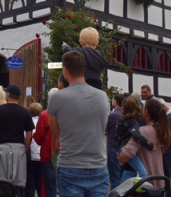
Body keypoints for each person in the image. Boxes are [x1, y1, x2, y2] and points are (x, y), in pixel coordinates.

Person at [48, 50, 109, 197]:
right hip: (98, 165)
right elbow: (103, 126)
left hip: (70, 165)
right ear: (84, 69)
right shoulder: (102, 96)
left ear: (65, 71)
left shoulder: (57, 98)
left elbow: (55, 132)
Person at [0, 84, 35, 196]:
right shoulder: (25, 112)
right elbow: (29, 135)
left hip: (0, 148)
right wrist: (25, 149)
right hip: (18, 149)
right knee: (17, 184)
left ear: (8, 95)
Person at [118, 99, 170, 188]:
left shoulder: (142, 131)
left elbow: (126, 154)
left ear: (146, 112)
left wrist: (120, 159)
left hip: (142, 184)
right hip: (158, 180)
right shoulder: (160, 130)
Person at [115, 97, 154, 181]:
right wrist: (150, 145)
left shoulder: (121, 120)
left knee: (129, 172)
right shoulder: (133, 122)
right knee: (143, 173)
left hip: (119, 149)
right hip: (126, 151)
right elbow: (137, 136)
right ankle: (138, 192)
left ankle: (123, 192)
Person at [33, 88, 58, 197]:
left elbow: (38, 137)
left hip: (48, 154)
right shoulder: (67, 113)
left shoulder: (45, 115)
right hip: (66, 153)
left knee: (50, 187)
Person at [106, 93, 124, 190]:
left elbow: (105, 128)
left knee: (114, 179)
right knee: (122, 177)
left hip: (113, 149)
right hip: (123, 149)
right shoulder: (125, 114)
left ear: (116, 102)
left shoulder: (113, 116)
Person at [26, 102, 43, 197]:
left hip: (30, 155)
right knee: (40, 182)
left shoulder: (28, 122)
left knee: (29, 183)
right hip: (41, 155)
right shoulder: (42, 121)